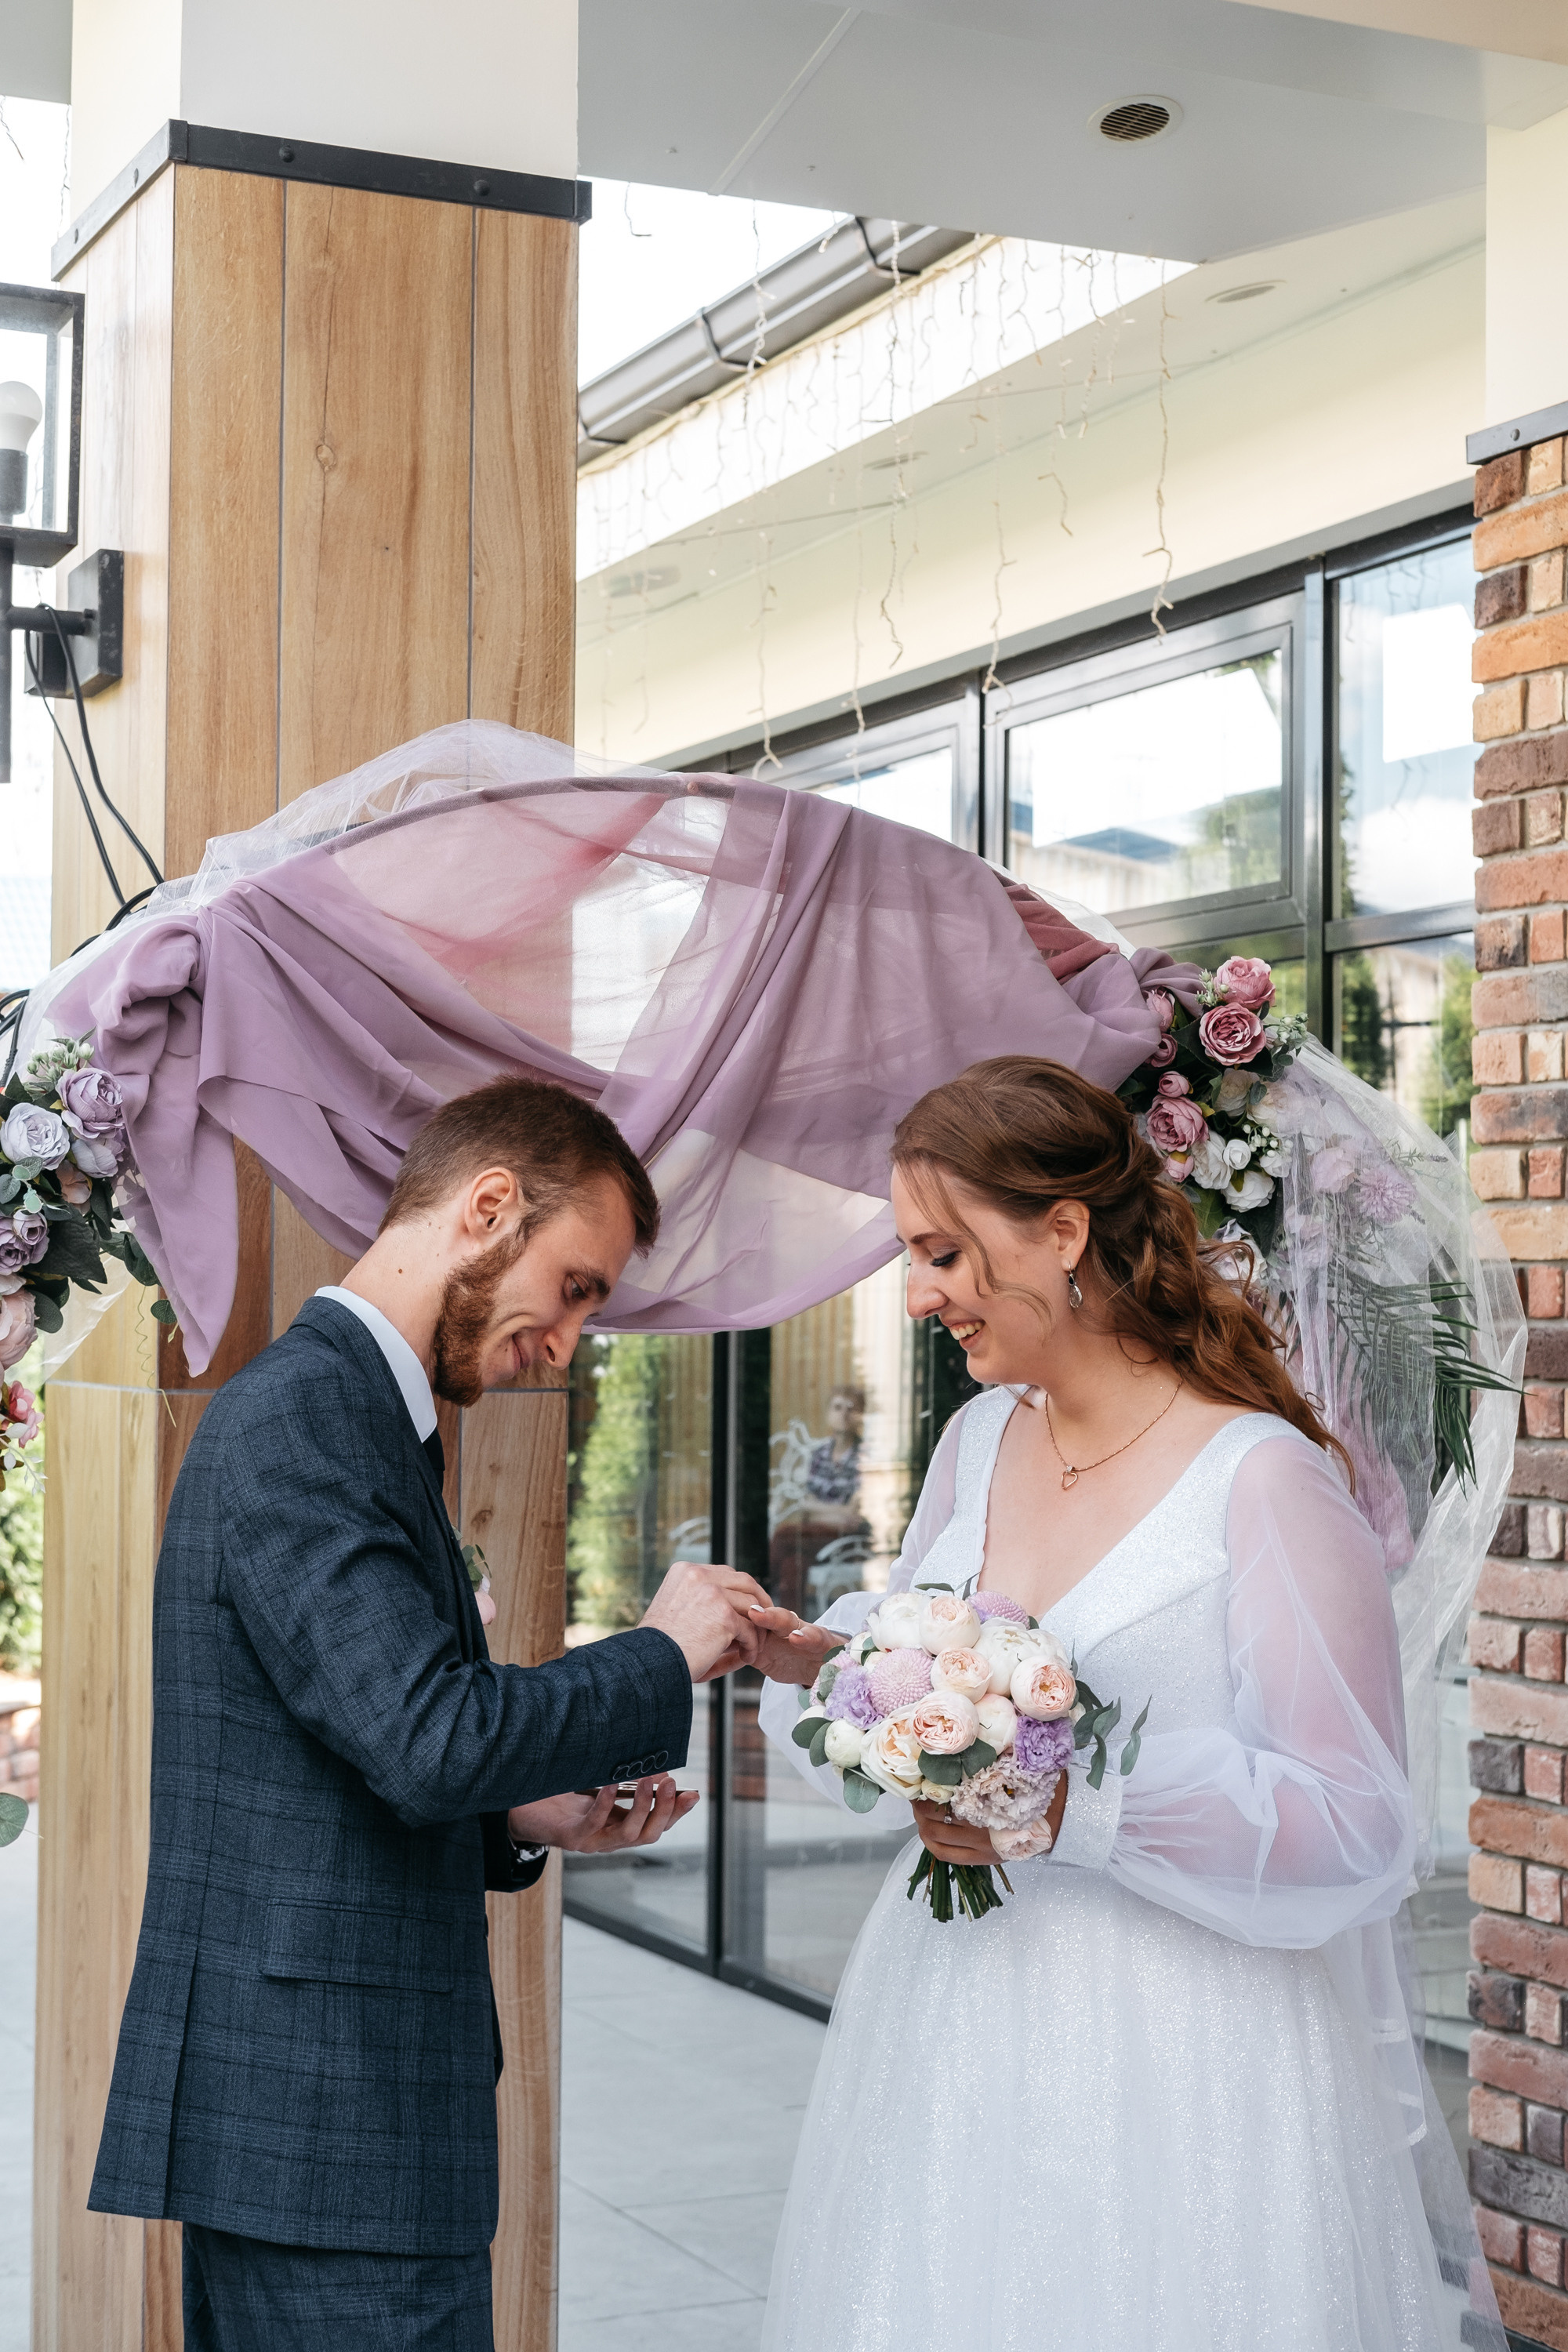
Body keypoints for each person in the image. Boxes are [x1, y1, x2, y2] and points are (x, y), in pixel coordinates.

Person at [756, 1054, 1498, 2352]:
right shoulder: (977, 1443)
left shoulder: (1263, 1484)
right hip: (956, 2026)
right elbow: (915, 1674)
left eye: (941, 1252)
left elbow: (1359, 1826)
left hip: (1186, 2072)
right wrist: (825, 1671)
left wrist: (1068, 1801)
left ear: (1061, 1230)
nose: (919, 1294)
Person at [89, 1075, 836, 2352]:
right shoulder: (310, 1417)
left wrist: (525, 1812)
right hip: (324, 2125)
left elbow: (375, 1739)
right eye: (579, 1285)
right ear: (489, 1206)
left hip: (333, 2120)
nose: (571, 1337)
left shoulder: (355, 1415)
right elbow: (428, 1735)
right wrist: (661, 1654)